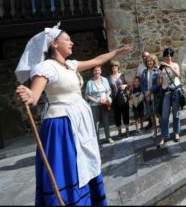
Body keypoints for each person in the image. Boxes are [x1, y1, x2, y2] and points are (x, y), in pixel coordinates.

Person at [14, 22, 132, 205]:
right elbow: (34, 97)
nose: (72, 43)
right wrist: (26, 95)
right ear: (54, 43)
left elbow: (97, 60)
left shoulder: (71, 65)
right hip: (62, 125)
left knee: (87, 163)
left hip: (80, 122)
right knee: (70, 169)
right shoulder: (45, 67)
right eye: (67, 40)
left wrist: (116, 52)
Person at [157, 47, 182, 148]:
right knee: (164, 115)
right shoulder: (161, 67)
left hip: (175, 90)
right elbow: (159, 83)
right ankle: (164, 136)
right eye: (166, 56)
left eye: (170, 56)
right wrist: (159, 76)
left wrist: (169, 66)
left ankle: (176, 132)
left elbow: (178, 75)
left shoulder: (175, 65)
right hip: (166, 92)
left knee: (176, 113)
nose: (168, 57)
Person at [85, 66, 114, 144]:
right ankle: (96, 140)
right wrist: (97, 101)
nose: (97, 72)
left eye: (98, 70)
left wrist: (106, 97)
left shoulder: (104, 79)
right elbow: (87, 95)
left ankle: (108, 137)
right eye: (95, 70)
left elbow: (109, 90)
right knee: (96, 123)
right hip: (94, 105)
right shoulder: (90, 82)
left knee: (106, 120)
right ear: (93, 72)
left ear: (100, 71)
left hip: (104, 103)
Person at [141, 53, 161, 139]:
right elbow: (142, 84)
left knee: (159, 114)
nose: (149, 62)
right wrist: (146, 93)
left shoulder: (157, 71)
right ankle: (155, 131)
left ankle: (163, 130)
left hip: (156, 95)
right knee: (152, 115)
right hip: (148, 97)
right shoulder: (144, 72)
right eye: (148, 61)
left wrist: (150, 91)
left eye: (151, 61)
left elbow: (158, 85)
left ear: (154, 62)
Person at [108, 60, 130, 139]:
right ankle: (119, 132)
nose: (114, 67)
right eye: (112, 66)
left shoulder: (123, 75)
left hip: (123, 98)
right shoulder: (108, 78)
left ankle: (127, 130)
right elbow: (108, 89)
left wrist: (125, 86)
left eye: (115, 66)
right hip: (114, 99)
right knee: (117, 116)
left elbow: (129, 84)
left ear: (118, 67)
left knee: (125, 114)